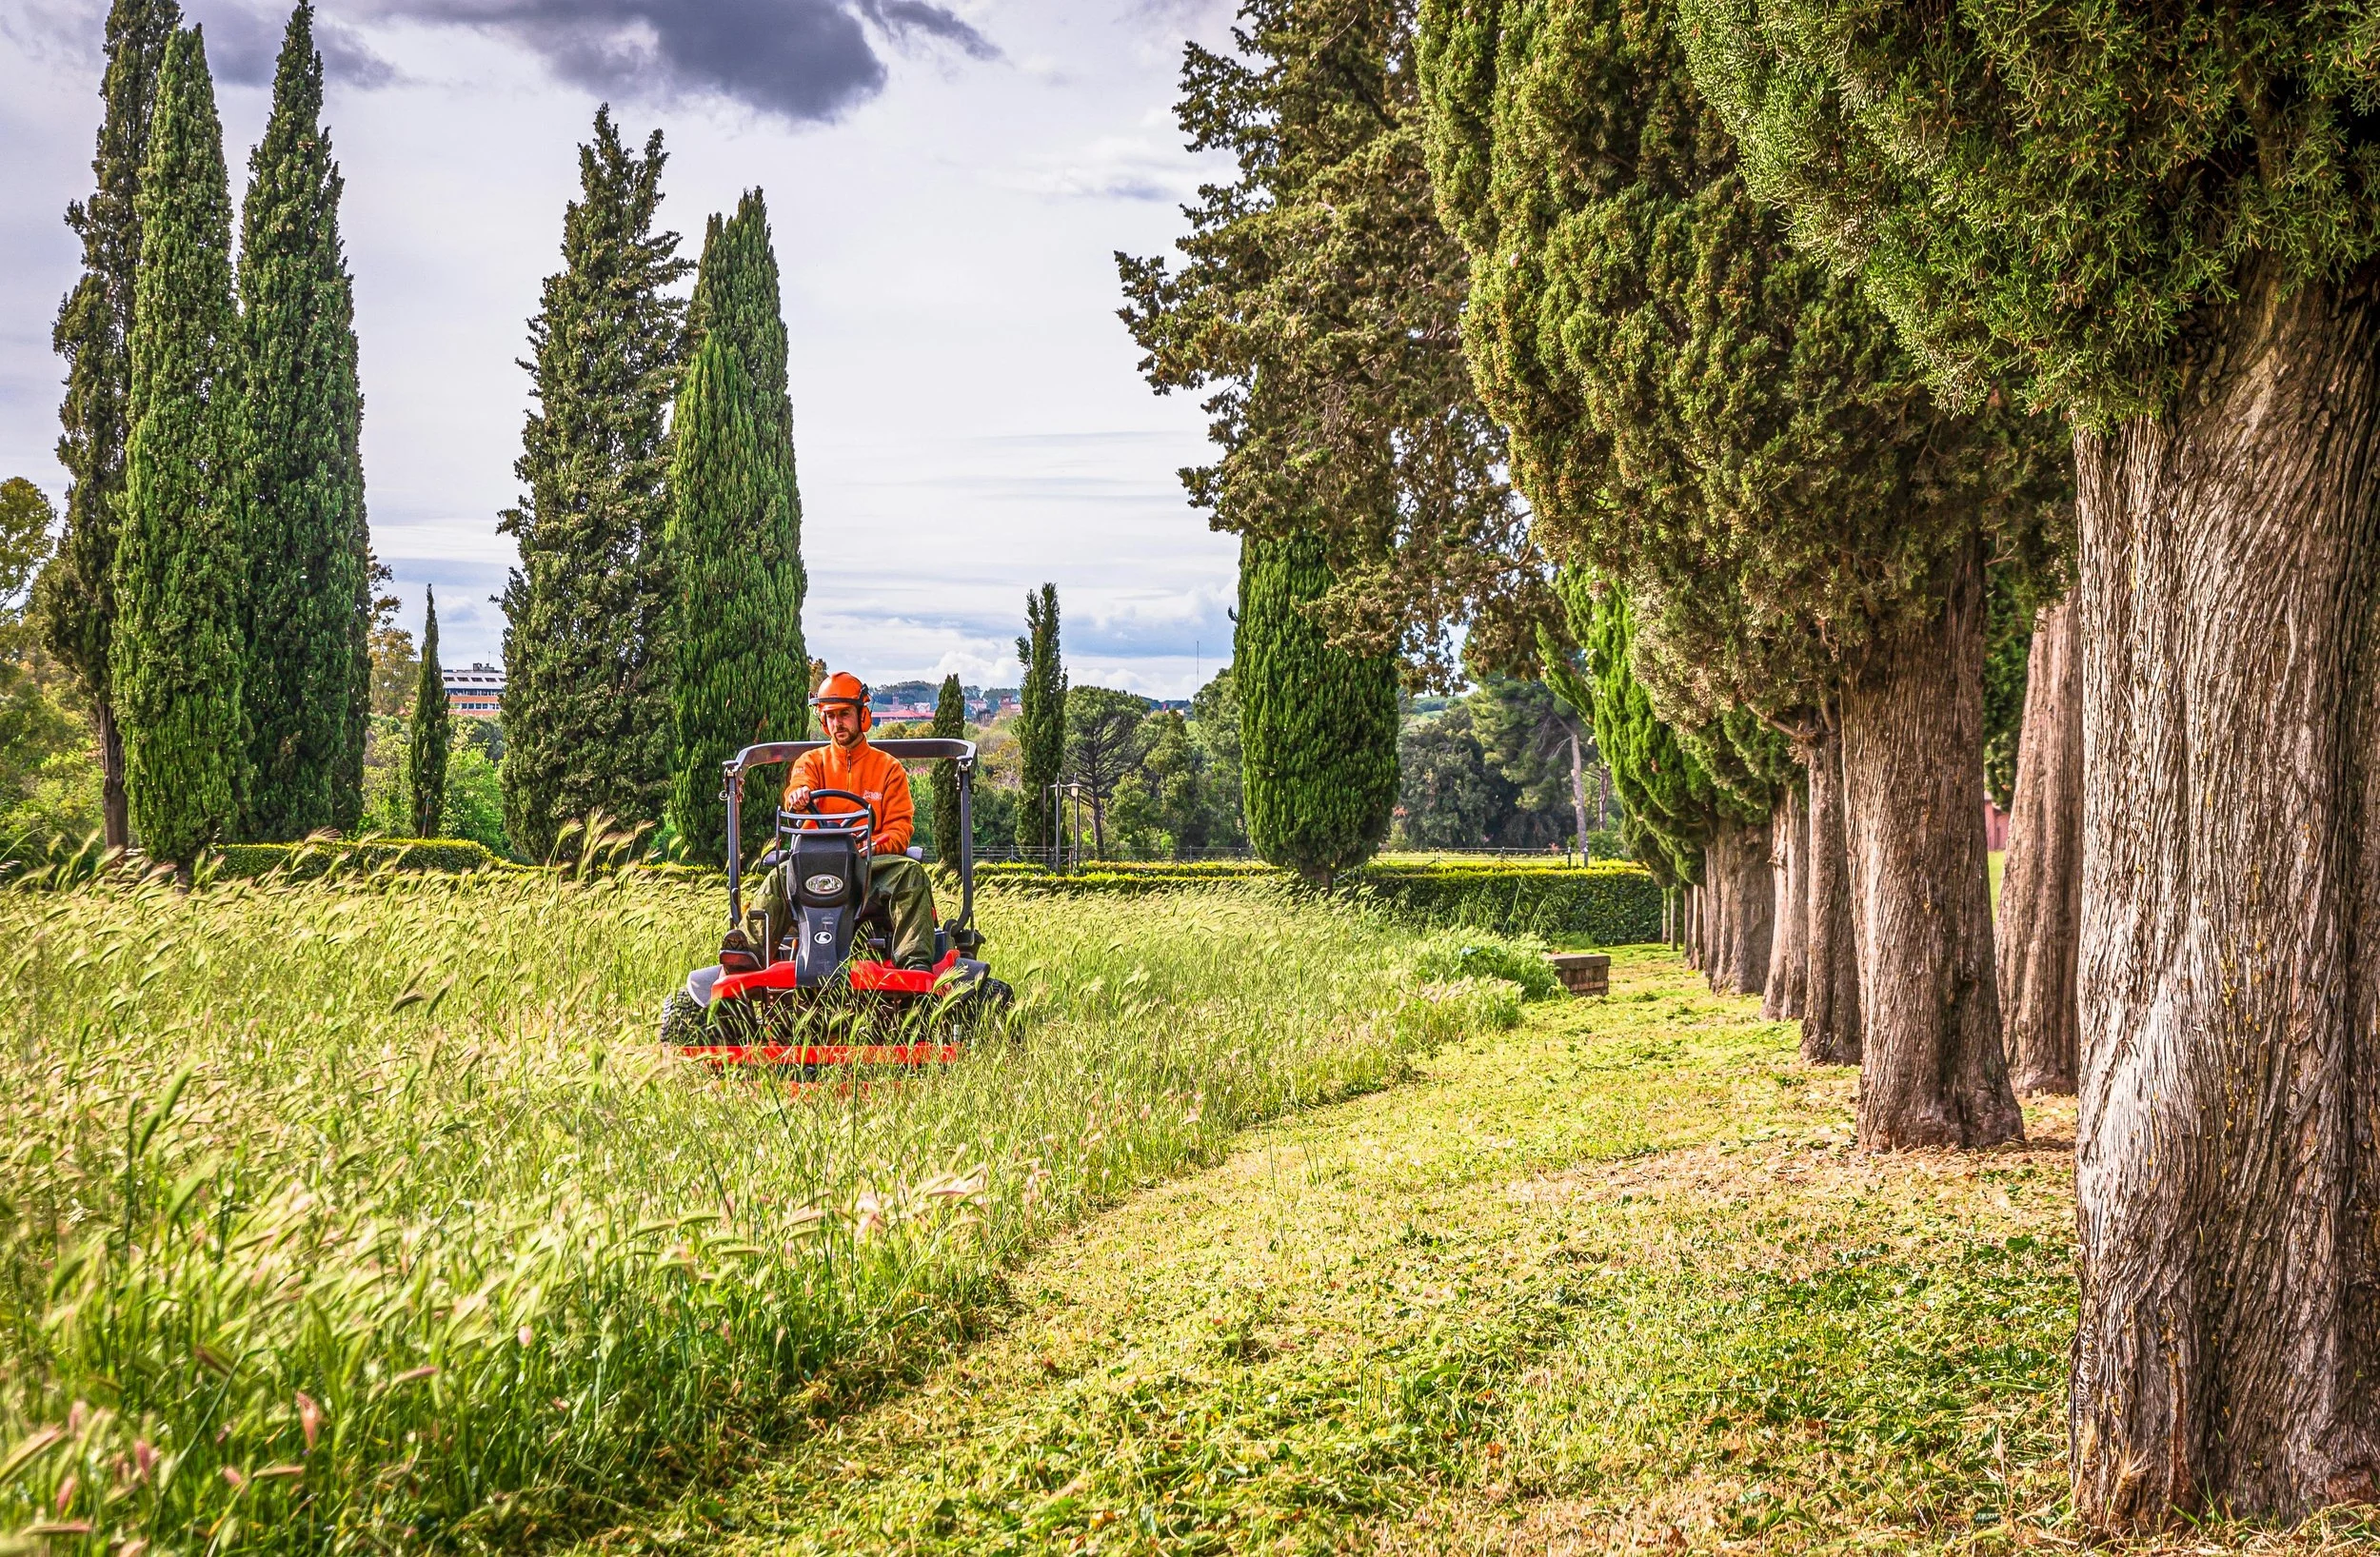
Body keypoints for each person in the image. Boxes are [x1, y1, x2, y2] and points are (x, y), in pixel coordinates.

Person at [751, 672, 939, 969]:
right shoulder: (812, 762)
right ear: (823, 721)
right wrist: (798, 795)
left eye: (844, 714)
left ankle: (914, 963)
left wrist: (871, 845)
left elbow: (900, 829)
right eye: (830, 716)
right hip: (814, 864)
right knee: (776, 879)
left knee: (911, 873)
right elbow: (797, 787)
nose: (837, 723)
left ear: (862, 715)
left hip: (868, 868)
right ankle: (749, 953)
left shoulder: (889, 769)